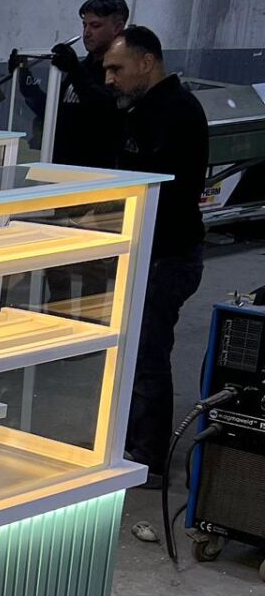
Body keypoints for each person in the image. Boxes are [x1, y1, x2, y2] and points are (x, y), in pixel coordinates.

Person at [102, 25, 209, 485]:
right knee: (135, 351)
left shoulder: (176, 111)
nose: (109, 79)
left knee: (147, 353)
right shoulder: (143, 109)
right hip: (148, 250)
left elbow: (165, 191)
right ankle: (130, 444)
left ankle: (149, 459)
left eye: (116, 69)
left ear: (147, 62)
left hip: (168, 256)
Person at [44, 0, 130, 166]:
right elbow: (52, 112)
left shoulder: (123, 71)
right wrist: (24, 78)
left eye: (95, 26)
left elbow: (108, 110)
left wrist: (75, 71)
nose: (87, 33)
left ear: (117, 28)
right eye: (84, 25)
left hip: (96, 170)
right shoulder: (83, 68)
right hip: (62, 167)